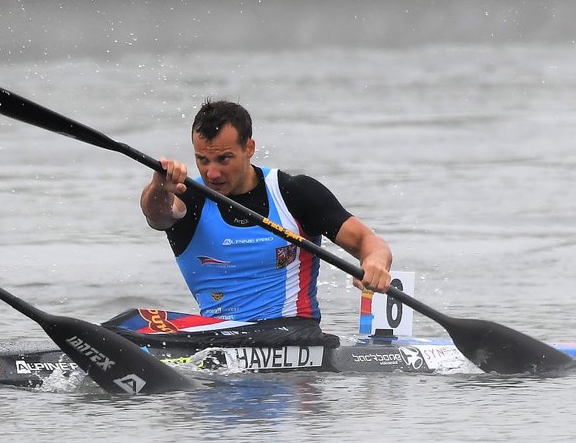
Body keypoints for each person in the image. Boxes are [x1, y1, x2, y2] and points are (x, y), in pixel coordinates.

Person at [140, 99, 392, 344]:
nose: (212, 173)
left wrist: (374, 263)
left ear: (249, 148)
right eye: (202, 160)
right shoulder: (190, 197)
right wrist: (159, 186)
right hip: (218, 337)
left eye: (224, 159)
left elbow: (367, 241)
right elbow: (157, 214)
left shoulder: (294, 194)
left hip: (294, 333)